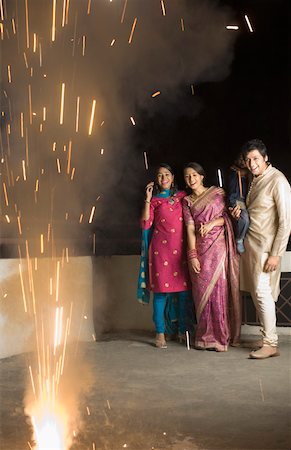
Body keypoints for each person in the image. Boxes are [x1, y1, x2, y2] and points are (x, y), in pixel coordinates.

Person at [231, 139, 291, 359]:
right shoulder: (255, 180)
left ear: (265, 158)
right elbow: (254, 211)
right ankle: (268, 335)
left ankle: (270, 343)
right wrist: (239, 211)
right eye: (248, 160)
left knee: (262, 292)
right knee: (257, 294)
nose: (251, 163)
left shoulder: (278, 181)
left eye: (255, 158)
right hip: (252, 246)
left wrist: (276, 254)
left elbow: (286, 222)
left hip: (267, 249)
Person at [182, 162, 241, 352]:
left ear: (202, 176)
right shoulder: (187, 202)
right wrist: (192, 256)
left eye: (194, 175)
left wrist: (212, 224)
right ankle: (205, 337)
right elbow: (190, 228)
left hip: (219, 247)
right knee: (202, 295)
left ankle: (220, 338)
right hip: (200, 249)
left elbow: (228, 217)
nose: (191, 179)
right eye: (187, 176)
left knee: (219, 291)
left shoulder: (218, 193)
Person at [137, 163, 194, 349]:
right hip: (160, 253)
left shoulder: (182, 197)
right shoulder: (154, 201)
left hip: (181, 252)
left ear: (173, 177)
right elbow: (146, 224)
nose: (164, 178)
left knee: (184, 294)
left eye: (167, 174)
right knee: (161, 293)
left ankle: (183, 330)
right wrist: (147, 199)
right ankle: (160, 332)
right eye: (160, 175)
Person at [227, 153, 250, 254]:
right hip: (237, 201)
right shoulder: (234, 172)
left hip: (248, 201)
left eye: (244, 159)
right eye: (240, 159)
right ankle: (239, 239)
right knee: (244, 218)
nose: (242, 162)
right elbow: (232, 192)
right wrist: (233, 204)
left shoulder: (251, 174)